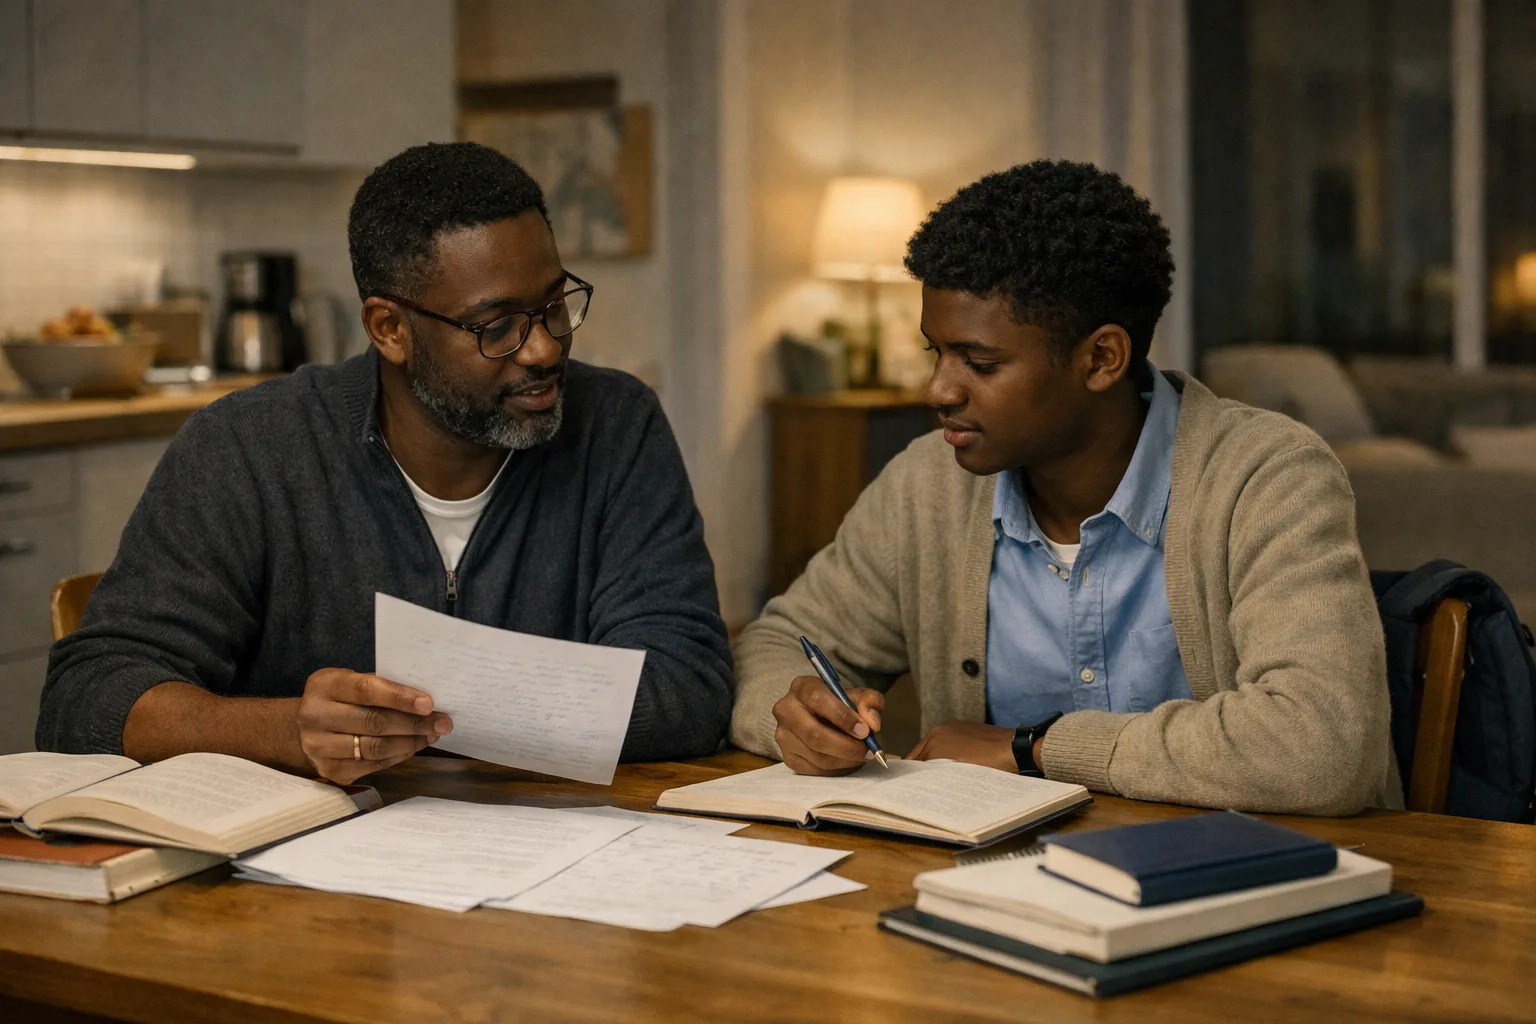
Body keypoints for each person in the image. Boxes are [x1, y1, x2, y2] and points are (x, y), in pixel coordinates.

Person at [40, 142, 732, 783]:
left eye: (554, 305)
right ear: (389, 329)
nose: (545, 349)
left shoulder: (617, 426)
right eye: (496, 327)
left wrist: (431, 711)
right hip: (299, 882)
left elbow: (687, 687)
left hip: (556, 862)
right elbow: (88, 700)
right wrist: (292, 730)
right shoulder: (250, 448)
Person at [730, 160, 1398, 815]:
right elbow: (776, 643)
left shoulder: (1267, 477)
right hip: (1001, 888)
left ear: (1101, 359)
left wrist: (1033, 749)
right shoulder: (925, 485)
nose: (938, 390)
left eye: (981, 362)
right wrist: (792, 714)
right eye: (938, 352)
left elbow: (1322, 748)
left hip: (1245, 890)